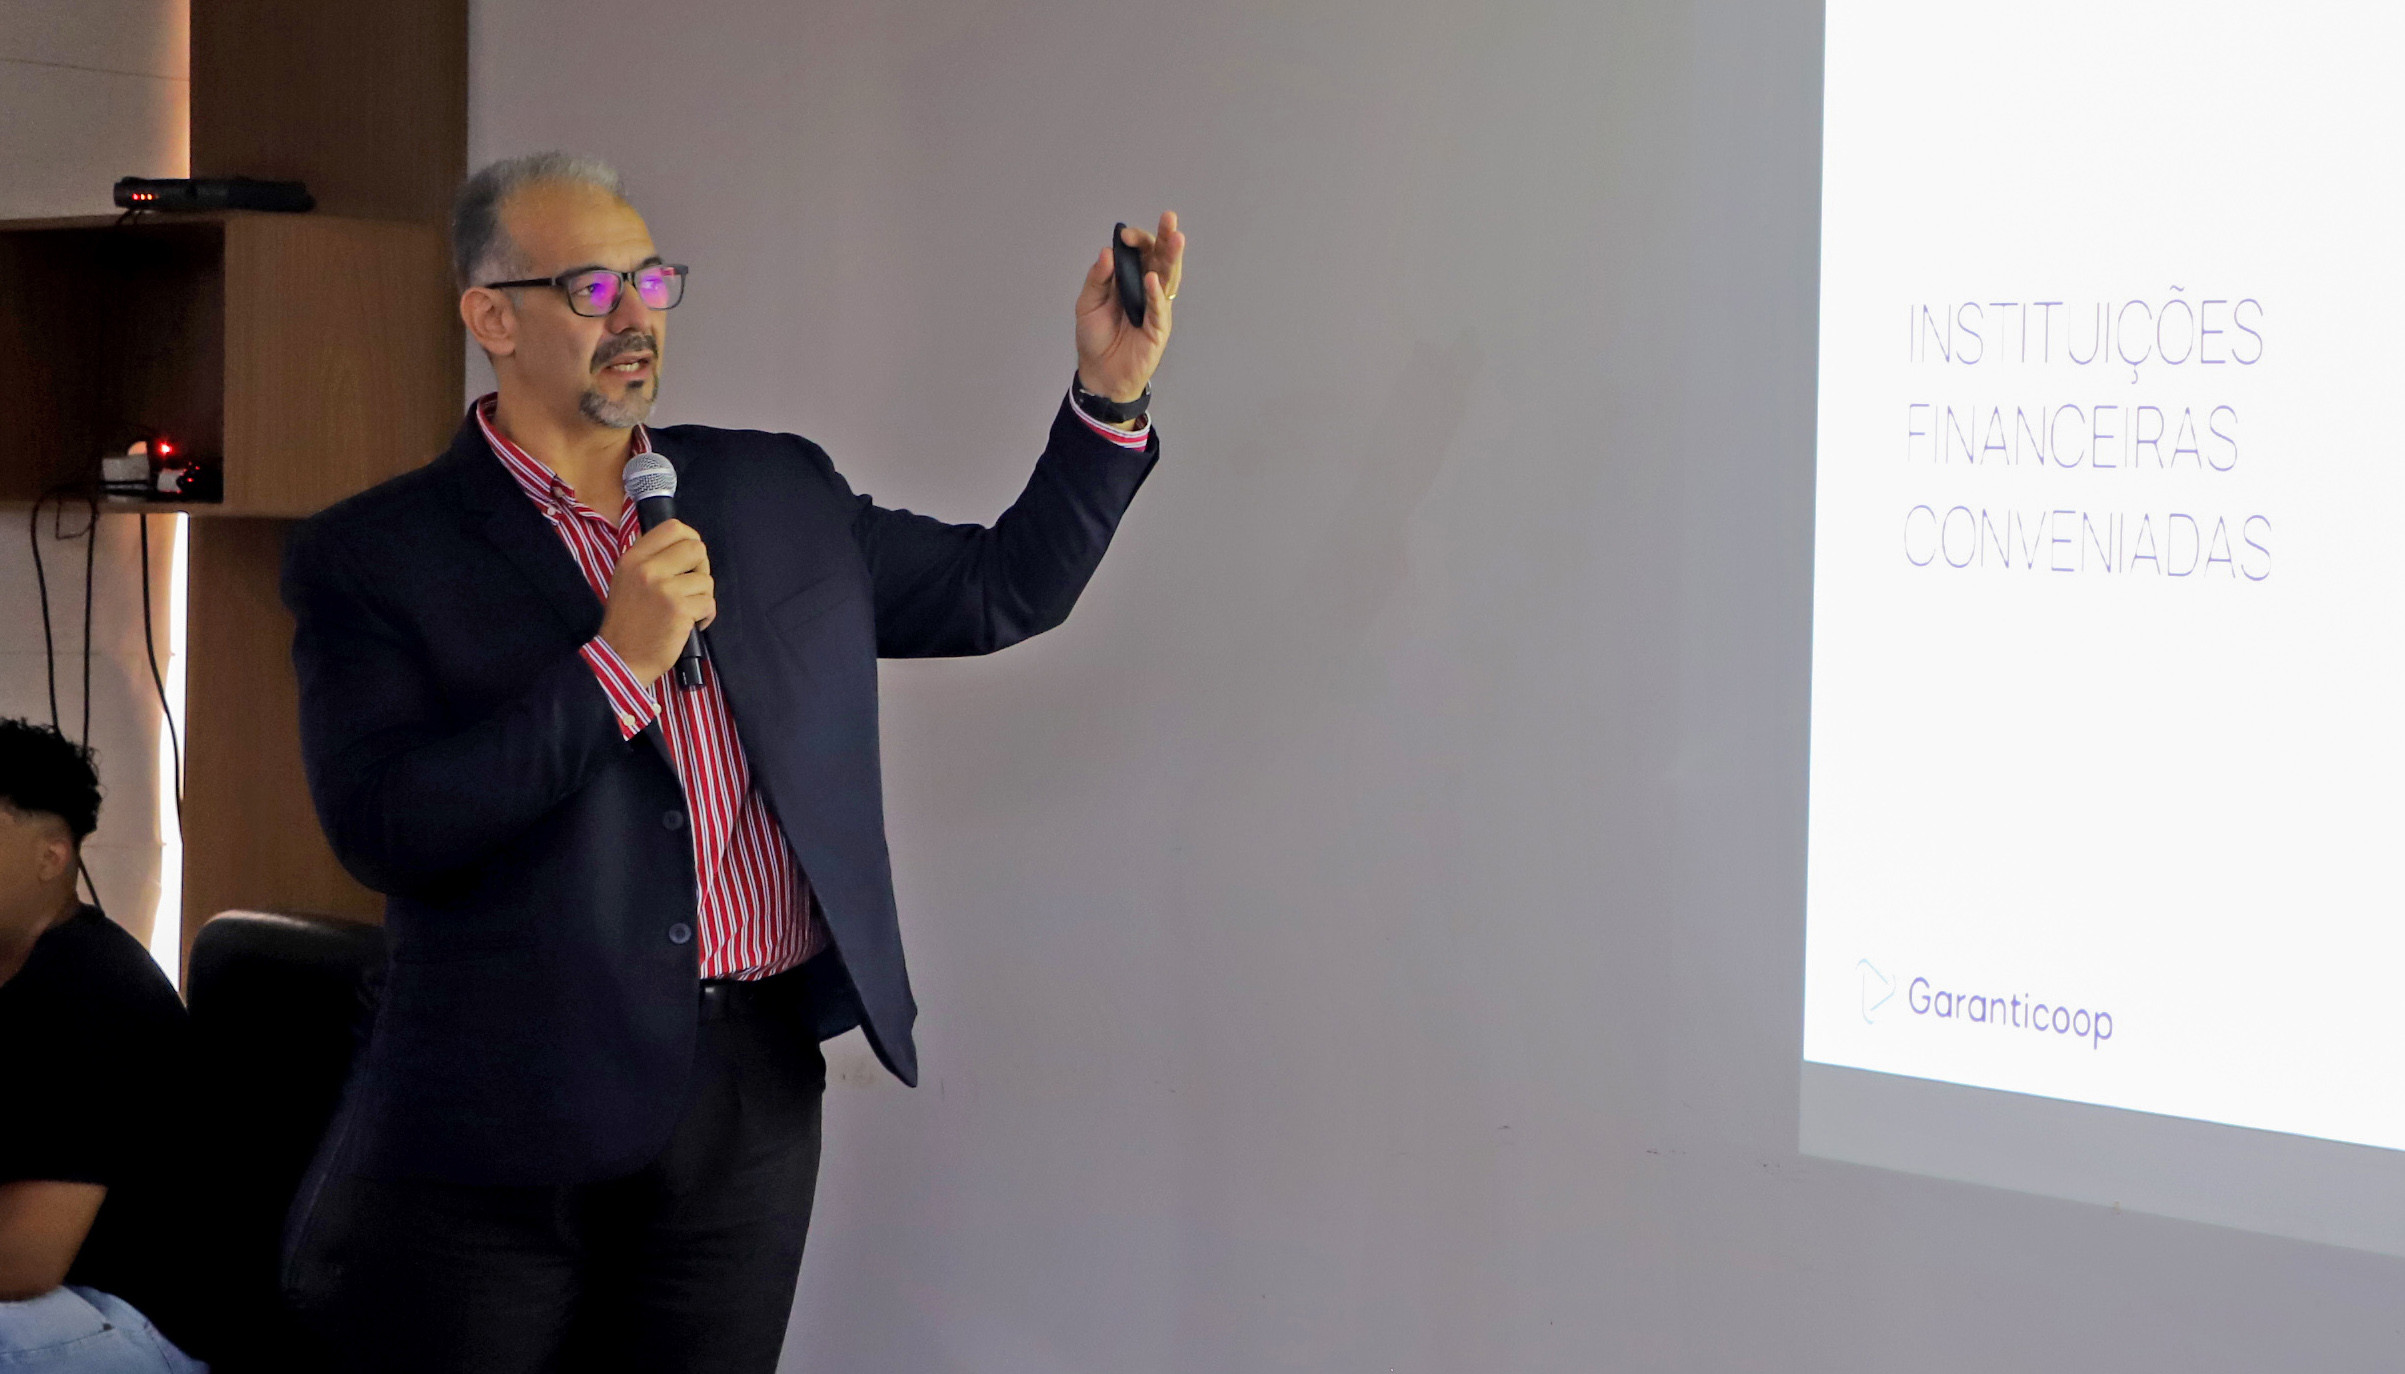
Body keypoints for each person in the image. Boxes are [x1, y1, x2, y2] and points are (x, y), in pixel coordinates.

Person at [280, 152, 1182, 1372]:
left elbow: (997, 588)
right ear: (492, 318)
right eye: (593, 289)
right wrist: (614, 668)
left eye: (651, 280)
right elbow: (388, 827)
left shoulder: (770, 490)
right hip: (501, 1107)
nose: (637, 316)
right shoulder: (376, 554)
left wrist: (1107, 401)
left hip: (748, 1087)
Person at [0, 719, 209, 1372]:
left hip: (132, 1320)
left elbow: (23, 1258)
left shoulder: (87, 993)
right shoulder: (18, 972)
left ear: (50, 856)